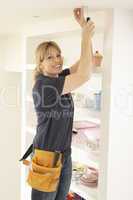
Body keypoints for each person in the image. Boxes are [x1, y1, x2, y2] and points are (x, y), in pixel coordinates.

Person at [31, 7, 95, 200]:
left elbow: (87, 62)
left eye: (58, 55)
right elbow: (84, 74)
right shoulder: (44, 85)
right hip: (47, 157)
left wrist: (84, 27)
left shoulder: (60, 77)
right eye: (49, 57)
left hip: (65, 155)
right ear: (40, 64)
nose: (56, 60)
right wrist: (84, 36)